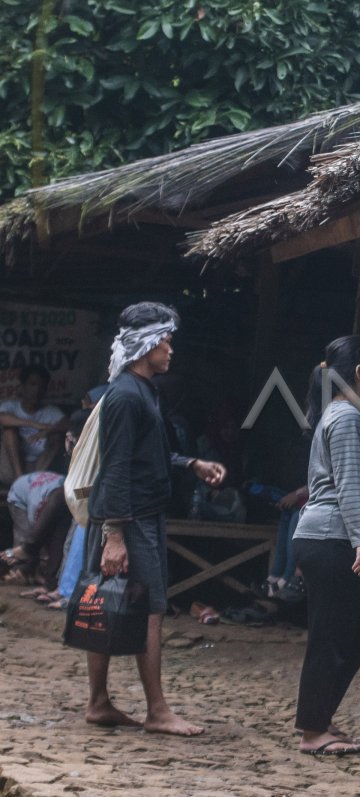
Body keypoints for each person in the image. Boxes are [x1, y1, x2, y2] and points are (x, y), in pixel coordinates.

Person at [86, 302, 226, 734]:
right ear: (145, 344)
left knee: (105, 606)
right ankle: (157, 710)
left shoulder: (143, 391)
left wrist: (189, 464)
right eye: (165, 340)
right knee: (147, 611)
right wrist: (114, 534)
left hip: (133, 515)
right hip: (130, 519)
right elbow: (116, 466)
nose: (170, 349)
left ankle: (99, 702)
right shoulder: (127, 396)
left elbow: (147, 454)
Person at [292, 336, 360, 756]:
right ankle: (313, 731)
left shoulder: (351, 415)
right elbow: (347, 485)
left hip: (331, 536)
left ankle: (319, 717)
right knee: (331, 635)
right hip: (333, 537)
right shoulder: (345, 417)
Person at [0, 364, 67, 485]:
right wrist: (34, 424)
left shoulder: (51, 411)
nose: (36, 390)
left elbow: (68, 424)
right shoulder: (11, 406)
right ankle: (20, 481)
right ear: (22, 387)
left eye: (41, 386)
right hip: (11, 468)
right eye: (32, 384)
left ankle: (32, 483)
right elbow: (3, 418)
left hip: (39, 467)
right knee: (9, 432)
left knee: (56, 437)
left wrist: (47, 431)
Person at [2, 471, 70, 586]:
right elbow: (38, 533)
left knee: (54, 538)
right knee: (26, 536)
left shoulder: (68, 497)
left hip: (60, 494)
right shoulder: (37, 507)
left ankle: (45, 576)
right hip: (19, 496)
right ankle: (21, 571)